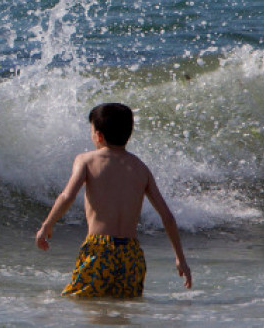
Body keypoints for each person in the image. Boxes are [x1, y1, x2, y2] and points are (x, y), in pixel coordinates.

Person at [35, 103, 192, 297]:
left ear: (98, 135)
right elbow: (167, 216)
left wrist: (47, 225)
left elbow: (67, 196)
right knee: (124, 311)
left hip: (99, 250)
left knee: (79, 302)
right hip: (132, 254)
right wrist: (180, 258)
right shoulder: (140, 168)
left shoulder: (86, 160)